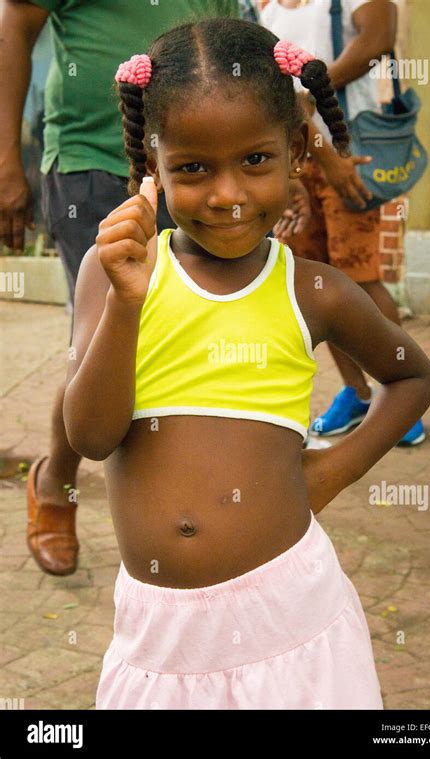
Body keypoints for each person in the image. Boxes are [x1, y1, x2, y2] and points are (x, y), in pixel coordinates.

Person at [62, 18, 430, 709]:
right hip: (160, 643)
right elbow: (90, 435)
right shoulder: (115, 273)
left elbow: (414, 377)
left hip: (292, 622)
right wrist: (125, 303)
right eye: (193, 168)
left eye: (255, 161)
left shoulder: (313, 290)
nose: (228, 194)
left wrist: (328, 473)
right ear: (154, 162)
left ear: (297, 150)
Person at [1, 0, 243, 576]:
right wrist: (6, 161)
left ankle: (192, 496)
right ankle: (57, 478)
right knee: (103, 338)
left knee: (196, 333)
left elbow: (236, 41)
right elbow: (15, 25)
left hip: (200, 164)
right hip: (94, 163)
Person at [261, 0, 426, 446]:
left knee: (361, 276)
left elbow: (378, 37)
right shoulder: (267, 10)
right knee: (316, 282)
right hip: (297, 157)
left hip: (348, 154)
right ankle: (356, 392)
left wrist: (310, 92)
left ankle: (401, 392)